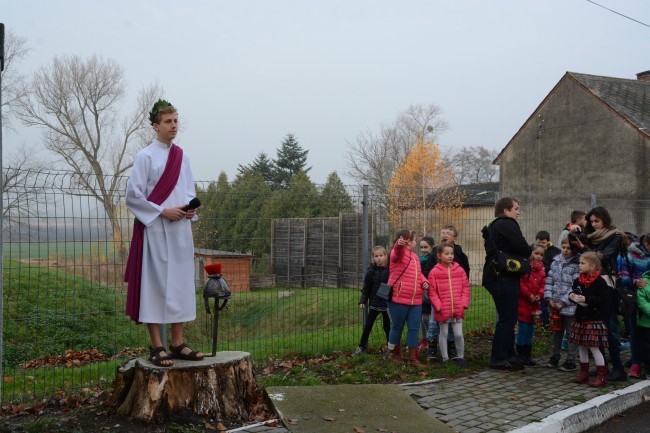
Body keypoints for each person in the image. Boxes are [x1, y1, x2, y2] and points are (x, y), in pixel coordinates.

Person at [124, 99, 204, 367]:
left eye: (176, 121)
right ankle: (157, 346)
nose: (173, 126)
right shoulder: (145, 156)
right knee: (155, 285)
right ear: (155, 126)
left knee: (181, 282)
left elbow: (188, 192)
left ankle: (178, 342)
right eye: (168, 122)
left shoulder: (183, 157)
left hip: (180, 230)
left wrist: (189, 211)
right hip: (155, 230)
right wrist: (162, 211)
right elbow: (133, 195)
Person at [570, 207, 626, 381]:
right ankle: (602, 367)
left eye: (597, 221)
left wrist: (583, 246)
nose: (593, 225)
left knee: (608, 327)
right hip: (590, 282)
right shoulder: (589, 236)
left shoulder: (614, 236)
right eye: (591, 221)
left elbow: (602, 257)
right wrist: (578, 239)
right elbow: (584, 258)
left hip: (606, 283)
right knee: (596, 326)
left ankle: (617, 367)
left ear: (605, 221)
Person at [481, 197, 531, 371]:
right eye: (516, 208)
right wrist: (528, 250)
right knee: (507, 319)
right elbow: (523, 246)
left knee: (508, 317)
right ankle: (498, 358)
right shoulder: (506, 223)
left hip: (497, 275)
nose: (518, 212)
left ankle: (510, 355)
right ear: (506, 210)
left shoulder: (494, 225)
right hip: (503, 277)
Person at [387, 229, 429, 366]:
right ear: (408, 241)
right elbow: (397, 252)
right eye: (414, 239)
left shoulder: (415, 257)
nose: (416, 242)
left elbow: (419, 273)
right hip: (399, 299)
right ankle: (394, 354)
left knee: (414, 328)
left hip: (416, 300)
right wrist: (399, 245)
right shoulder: (397, 254)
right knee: (397, 326)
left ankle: (413, 358)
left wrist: (424, 281)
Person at [426, 225, 469, 360]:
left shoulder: (460, 256)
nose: (444, 235)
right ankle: (434, 350)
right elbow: (429, 277)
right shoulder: (434, 254)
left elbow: (465, 282)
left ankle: (454, 351)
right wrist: (438, 305)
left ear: (454, 238)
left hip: (456, 302)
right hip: (440, 302)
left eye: (448, 233)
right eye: (442, 232)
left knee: (456, 332)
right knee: (435, 326)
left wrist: (463, 302)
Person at [568, 252, 610, 387]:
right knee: (581, 346)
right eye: (579, 263)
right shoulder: (578, 280)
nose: (579, 265)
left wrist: (587, 299)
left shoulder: (600, 282)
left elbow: (603, 300)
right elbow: (574, 292)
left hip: (594, 319)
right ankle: (584, 373)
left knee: (594, 348)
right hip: (580, 317)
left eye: (582, 263)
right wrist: (572, 296)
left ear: (592, 266)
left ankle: (602, 376)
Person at [543, 235, 580, 371]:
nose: (565, 250)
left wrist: (563, 302)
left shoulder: (577, 265)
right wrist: (549, 299)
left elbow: (575, 286)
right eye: (563, 247)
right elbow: (549, 281)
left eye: (568, 248)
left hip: (569, 306)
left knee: (571, 333)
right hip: (554, 306)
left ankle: (571, 360)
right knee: (556, 333)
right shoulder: (555, 262)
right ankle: (554, 356)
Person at [617, 233, 650, 378]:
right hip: (635, 299)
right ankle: (636, 362)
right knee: (635, 332)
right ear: (647, 244)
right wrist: (636, 282)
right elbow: (622, 277)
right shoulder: (630, 255)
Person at [353, 246, 390, 356]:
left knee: (387, 326)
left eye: (381, 255)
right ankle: (361, 346)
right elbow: (366, 288)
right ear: (373, 258)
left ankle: (390, 347)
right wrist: (362, 301)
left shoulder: (390, 271)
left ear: (386, 256)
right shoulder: (371, 272)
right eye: (376, 256)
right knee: (368, 325)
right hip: (374, 303)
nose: (379, 258)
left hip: (387, 303)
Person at [516, 243, 546, 366]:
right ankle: (520, 355)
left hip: (534, 304)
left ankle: (527, 355)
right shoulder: (525, 267)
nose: (539, 256)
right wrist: (528, 295)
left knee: (530, 329)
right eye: (536, 253)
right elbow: (520, 284)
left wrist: (540, 294)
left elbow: (543, 285)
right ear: (531, 253)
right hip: (523, 303)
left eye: (541, 254)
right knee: (522, 329)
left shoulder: (542, 271)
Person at [535, 230, 561, 329]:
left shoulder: (555, 251)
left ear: (548, 242)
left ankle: (553, 322)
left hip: (551, 281)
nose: (541, 245)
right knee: (541, 302)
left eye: (543, 243)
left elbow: (556, 264)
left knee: (549, 302)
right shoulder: (534, 250)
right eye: (539, 242)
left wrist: (545, 268)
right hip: (538, 281)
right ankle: (544, 323)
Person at [418, 236, 437, 354]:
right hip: (423, 294)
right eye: (421, 247)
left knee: (435, 319)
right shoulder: (419, 260)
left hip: (434, 292)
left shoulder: (435, 258)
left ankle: (434, 339)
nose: (423, 249)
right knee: (424, 318)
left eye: (426, 247)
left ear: (432, 247)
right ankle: (424, 340)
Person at [635, 269, 650, 380]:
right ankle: (648, 370)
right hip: (646, 323)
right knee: (647, 348)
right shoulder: (644, 282)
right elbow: (641, 300)